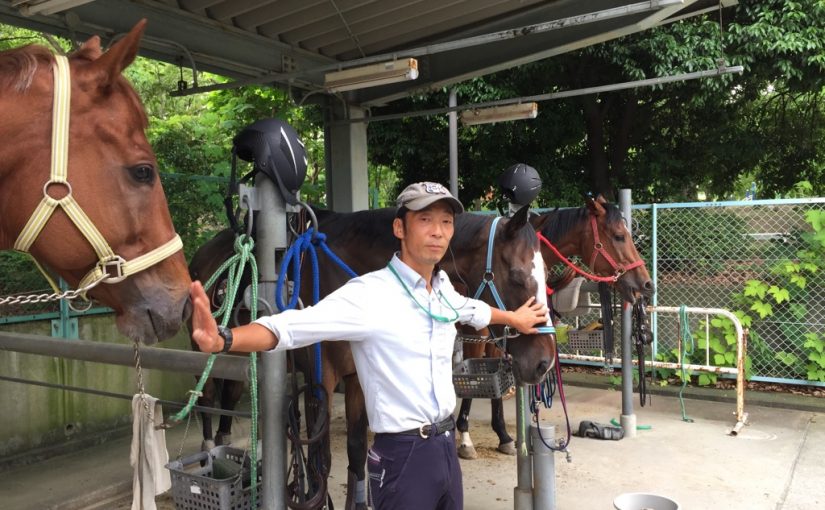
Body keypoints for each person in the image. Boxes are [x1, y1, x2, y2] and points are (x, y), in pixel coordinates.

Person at [189, 181, 548, 510]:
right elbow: (295, 326)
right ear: (399, 228)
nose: (438, 231)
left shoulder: (442, 289)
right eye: (425, 219)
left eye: (446, 222)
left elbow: (472, 310)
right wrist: (225, 338)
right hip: (403, 455)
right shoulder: (370, 293)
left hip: (445, 448)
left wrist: (513, 319)